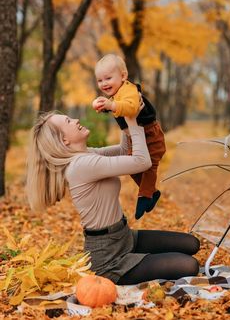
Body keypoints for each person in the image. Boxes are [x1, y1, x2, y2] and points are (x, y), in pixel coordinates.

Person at [26, 110, 200, 285]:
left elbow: (125, 151)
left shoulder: (87, 155)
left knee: (192, 244)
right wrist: (133, 124)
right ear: (64, 140)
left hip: (124, 237)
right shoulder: (81, 165)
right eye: (69, 121)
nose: (76, 120)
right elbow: (141, 162)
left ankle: (144, 260)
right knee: (189, 265)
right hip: (107, 257)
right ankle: (125, 270)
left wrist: (124, 116)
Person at [92, 54, 166, 220]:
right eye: (100, 80)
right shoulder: (116, 95)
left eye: (108, 78)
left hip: (150, 134)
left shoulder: (129, 90)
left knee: (150, 166)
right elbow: (117, 107)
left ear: (123, 76)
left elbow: (131, 108)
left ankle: (145, 196)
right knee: (132, 167)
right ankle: (152, 193)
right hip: (136, 137)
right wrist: (103, 105)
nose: (104, 84)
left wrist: (111, 105)